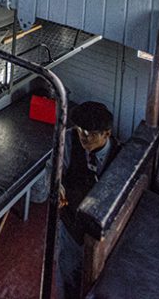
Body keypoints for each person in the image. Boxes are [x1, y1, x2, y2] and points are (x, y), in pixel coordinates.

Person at [57, 100, 118, 299]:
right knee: (67, 271)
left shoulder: (119, 157)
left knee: (96, 277)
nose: (83, 136)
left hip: (99, 230)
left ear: (106, 134)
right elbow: (54, 170)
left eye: (90, 133)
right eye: (80, 130)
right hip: (70, 222)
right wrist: (56, 187)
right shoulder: (68, 140)